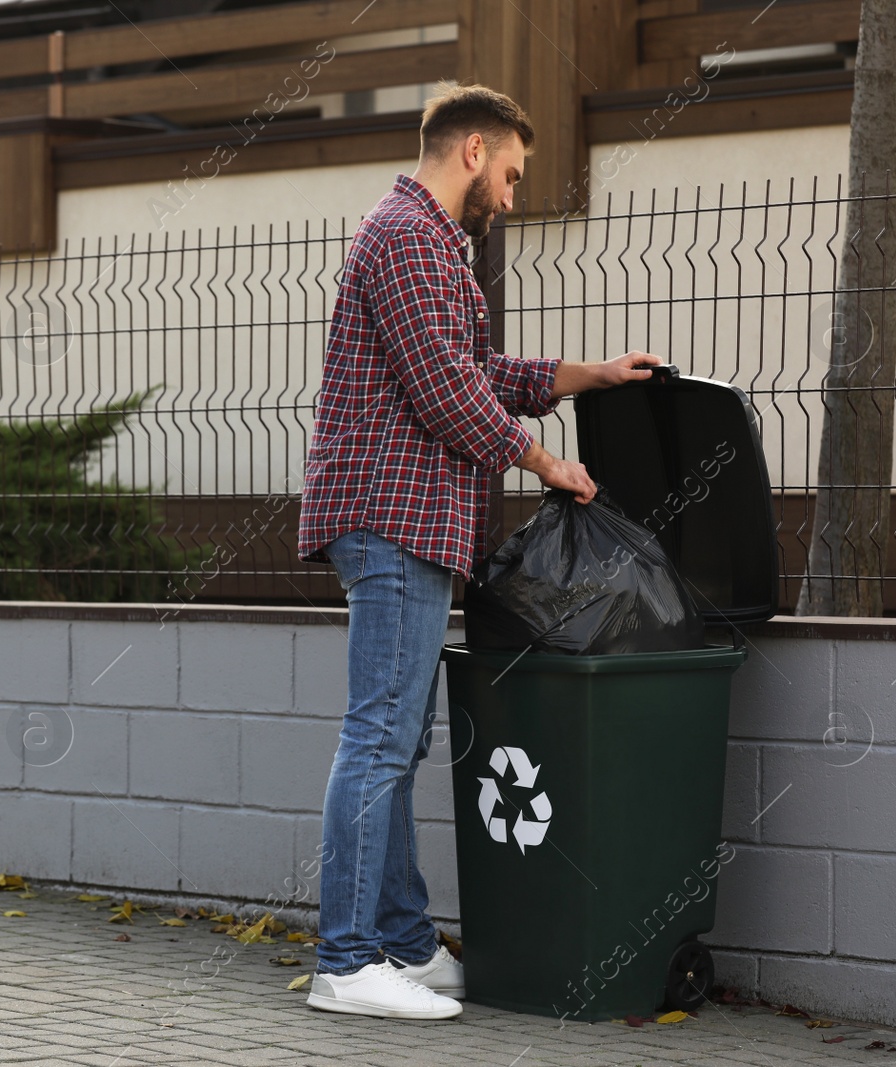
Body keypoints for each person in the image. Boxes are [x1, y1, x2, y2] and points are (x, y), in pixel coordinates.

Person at [295, 83, 663, 1021]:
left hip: (409, 520)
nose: (510, 193)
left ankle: (405, 942)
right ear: (471, 150)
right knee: (378, 736)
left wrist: (590, 375)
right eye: (508, 172)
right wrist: (550, 462)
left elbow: (481, 370)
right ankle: (345, 960)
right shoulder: (408, 235)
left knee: (398, 737)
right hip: (392, 516)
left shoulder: (424, 241)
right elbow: (445, 391)